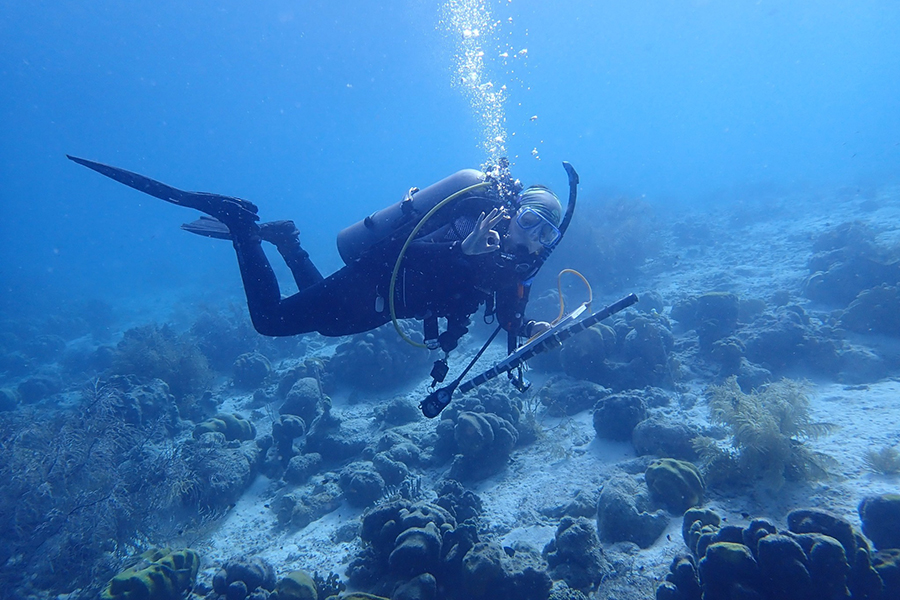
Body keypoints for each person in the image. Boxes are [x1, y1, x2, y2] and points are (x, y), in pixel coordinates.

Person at [67, 156, 564, 356]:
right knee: (270, 320)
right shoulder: (469, 223)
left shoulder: (517, 266)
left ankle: (286, 242)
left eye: (542, 233)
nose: (529, 237)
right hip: (375, 280)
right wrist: (462, 250)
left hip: (385, 306)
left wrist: (528, 328)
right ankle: (242, 225)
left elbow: (505, 310)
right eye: (528, 220)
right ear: (513, 211)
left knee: (325, 324)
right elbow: (403, 255)